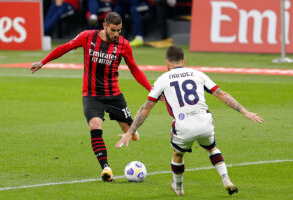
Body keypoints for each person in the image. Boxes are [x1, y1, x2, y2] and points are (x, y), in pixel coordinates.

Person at [115, 46, 263, 196]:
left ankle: (178, 186)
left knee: (178, 154)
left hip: (184, 124)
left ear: (166, 61)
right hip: (205, 121)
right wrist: (245, 111)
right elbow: (220, 93)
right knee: (211, 148)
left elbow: (146, 108)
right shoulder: (198, 74)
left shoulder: (163, 79)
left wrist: (130, 131)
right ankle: (226, 179)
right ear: (184, 60)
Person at [30, 12, 152, 182]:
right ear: (104, 26)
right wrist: (43, 62)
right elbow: (65, 47)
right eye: (113, 30)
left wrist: (151, 90)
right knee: (95, 126)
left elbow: (134, 69)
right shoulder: (87, 37)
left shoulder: (124, 45)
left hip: (114, 95)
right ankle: (106, 168)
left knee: (130, 133)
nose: (117, 34)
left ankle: (131, 131)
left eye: (119, 30)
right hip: (91, 95)